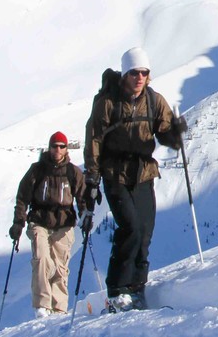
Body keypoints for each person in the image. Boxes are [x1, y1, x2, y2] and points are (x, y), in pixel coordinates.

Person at [83, 46, 186, 311]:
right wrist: (92, 178)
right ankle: (117, 290)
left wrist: (175, 133)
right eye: (134, 72)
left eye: (144, 72)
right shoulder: (108, 102)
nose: (139, 77)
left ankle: (137, 287)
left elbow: (164, 132)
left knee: (145, 232)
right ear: (125, 74)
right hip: (115, 174)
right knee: (130, 227)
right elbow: (93, 139)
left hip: (143, 173)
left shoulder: (154, 100)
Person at [10, 131, 86, 318]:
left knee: (60, 267)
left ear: (66, 148)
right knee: (42, 259)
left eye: (61, 146)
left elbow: (82, 197)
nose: (57, 150)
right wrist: (18, 223)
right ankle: (42, 306)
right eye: (54, 146)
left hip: (64, 224)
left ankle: (59, 309)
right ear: (49, 147)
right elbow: (22, 197)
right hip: (39, 221)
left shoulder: (72, 171)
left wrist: (86, 216)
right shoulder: (37, 170)